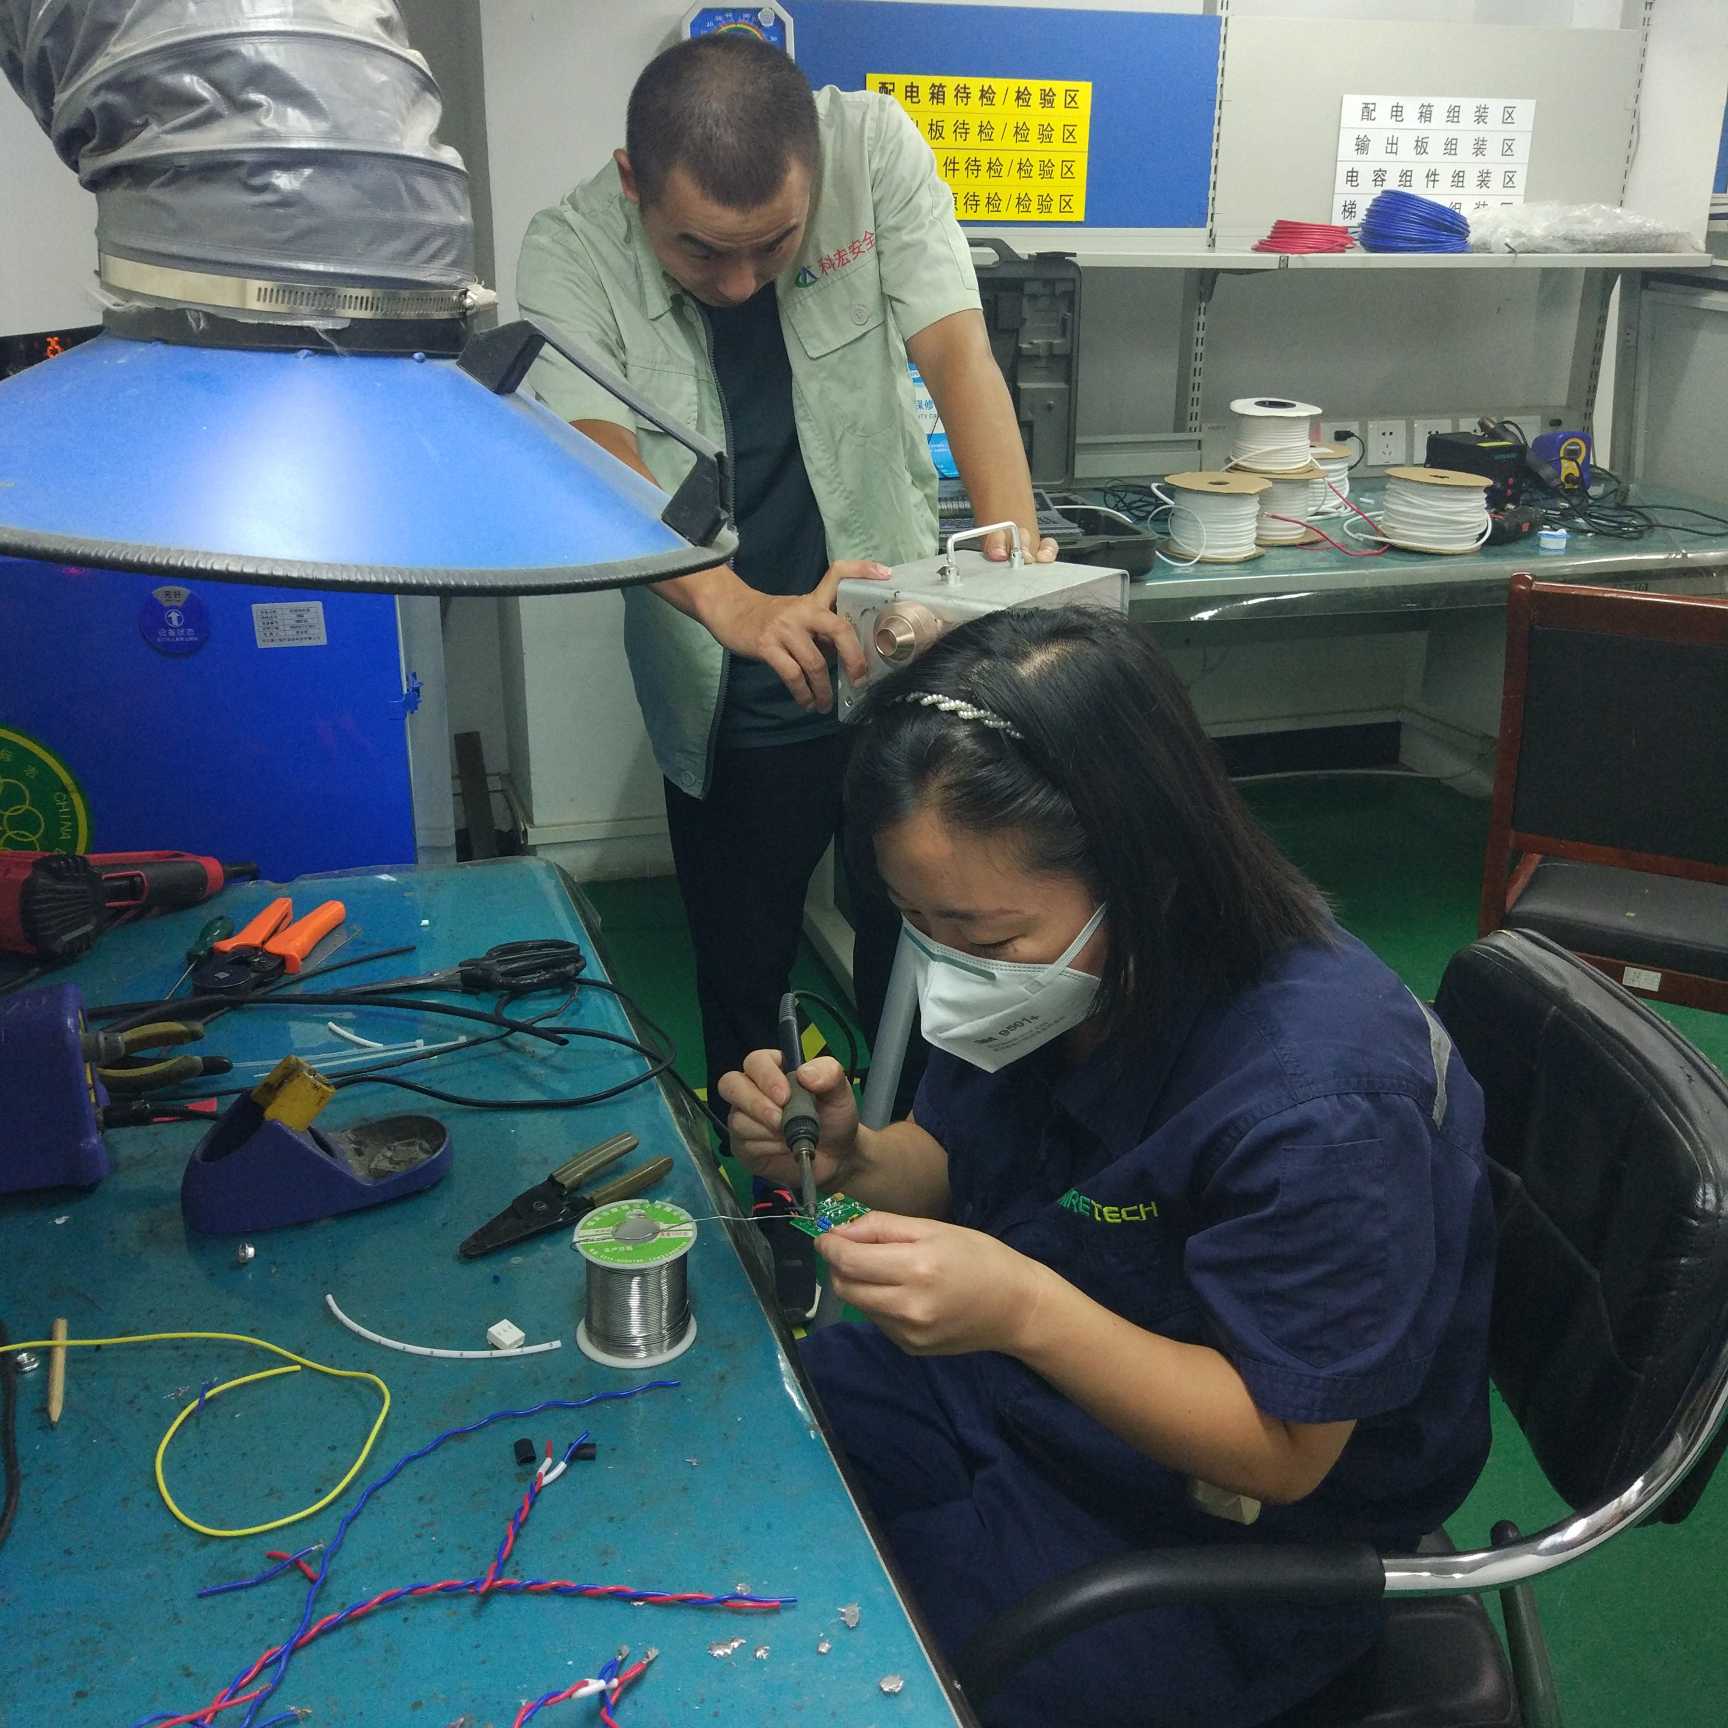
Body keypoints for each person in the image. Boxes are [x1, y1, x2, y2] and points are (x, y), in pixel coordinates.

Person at [720, 606, 1496, 1727]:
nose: (948, 968)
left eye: (984, 940)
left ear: (1150, 872)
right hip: (1016, 1399)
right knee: (751, 1442)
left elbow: (1281, 1451)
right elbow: (955, 1157)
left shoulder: (1325, 1099)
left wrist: (1023, 1308)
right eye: (915, 921)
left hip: (1216, 1532)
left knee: (850, 1683)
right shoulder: (1062, 979)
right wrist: (854, 1159)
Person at [516, 34, 1055, 1312]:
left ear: (815, 172)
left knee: (926, 947)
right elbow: (592, 461)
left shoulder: (874, 148)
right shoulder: (568, 249)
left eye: (775, 245)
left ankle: (921, 1185)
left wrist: (1016, 583)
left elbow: (958, 355)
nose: (743, 281)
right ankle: (773, 1221)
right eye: (702, 251)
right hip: (728, 682)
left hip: (900, 652)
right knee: (742, 970)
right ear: (634, 183)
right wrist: (737, 606)